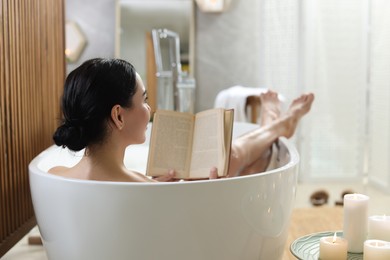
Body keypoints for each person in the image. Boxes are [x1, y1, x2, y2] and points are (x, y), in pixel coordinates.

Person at [49, 58, 314, 182]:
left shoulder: (54, 176)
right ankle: (275, 126)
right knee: (227, 159)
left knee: (238, 158)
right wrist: (216, 193)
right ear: (118, 115)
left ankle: (274, 126)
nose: (149, 108)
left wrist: (152, 185)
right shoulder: (144, 190)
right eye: (144, 99)